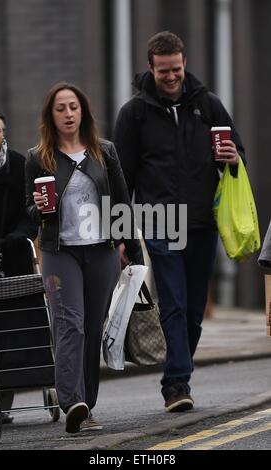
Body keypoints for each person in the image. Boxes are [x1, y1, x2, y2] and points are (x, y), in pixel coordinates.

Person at [114, 31, 245, 412]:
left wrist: (233, 157)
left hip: (203, 221)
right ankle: (176, 385)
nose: (171, 77)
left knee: (192, 308)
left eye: (176, 70)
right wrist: (121, 234)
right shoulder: (133, 114)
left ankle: (178, 373)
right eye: (163, 72)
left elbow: (238, 151)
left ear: (184, 63)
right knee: (172, 301)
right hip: (161, 220)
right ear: (150, 68)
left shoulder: (208, 105)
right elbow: (123, 178)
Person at [25, 82, 142, 433]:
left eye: (73, 107)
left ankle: (85, 407)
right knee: (69, 323)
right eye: (60, 108)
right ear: (51, 116)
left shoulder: (104, 152)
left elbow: (121, 202)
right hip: (59, 252)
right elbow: (27, 213)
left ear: (83, 112)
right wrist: (40, 208)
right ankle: (71, 399)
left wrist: (130, 250)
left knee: (91, 328)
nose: (68, 114)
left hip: (102, 251)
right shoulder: (37, 157)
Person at [0, 106, 38, 423]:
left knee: (11, 329)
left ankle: (4, 401)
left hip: (13, 255)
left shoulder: (20, 165)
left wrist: (18, 236)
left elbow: (30, 211)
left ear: (3, 133)